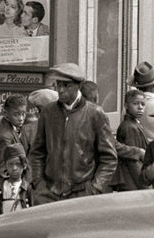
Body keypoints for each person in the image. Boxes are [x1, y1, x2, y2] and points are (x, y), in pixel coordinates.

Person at [28, 62, 117, 202]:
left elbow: (109, 158)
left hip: (82, 194)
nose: (61, 90)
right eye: (58, 84)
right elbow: (37, 152)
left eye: (66, 85)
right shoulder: (48, 112)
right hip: (49, 193)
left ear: (79, 86)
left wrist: (95, 188)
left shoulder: (95, 114)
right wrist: (39, 183)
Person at [114, 87, 153, 191]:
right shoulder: (129, 127)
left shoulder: (135, 124)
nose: (140, 107)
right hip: (132, 183)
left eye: (142, 104)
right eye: (135, 104)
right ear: (126, 105)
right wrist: (145, 186)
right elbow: (133, 162)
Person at [0, 94, 27, 172]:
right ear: (5, 113)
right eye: (16, 114)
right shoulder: (4, 138)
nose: (21, 118)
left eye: (23, 113)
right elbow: (2, 169)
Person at [0, 144, 32, 215]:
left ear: (24, 165)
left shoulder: (29, 189)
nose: (14, 168)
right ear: (5, 165)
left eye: (18, 164)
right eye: (10, 164)